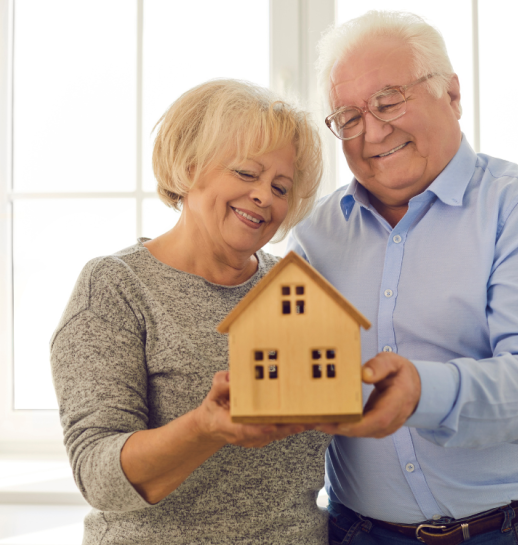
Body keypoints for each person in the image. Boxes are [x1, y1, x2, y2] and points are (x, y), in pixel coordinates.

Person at [289, 11, 518, 545]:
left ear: (451, 95)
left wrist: (421, 393)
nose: (374, 131)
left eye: (388, 101)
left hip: (513, 531)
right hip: (358, 531)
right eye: (349, 116)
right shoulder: (314, 235)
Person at [51, 79, 331, 544]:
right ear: (188, 166)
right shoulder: (116, 287)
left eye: (281, 187)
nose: (265, 196)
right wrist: (204, 427)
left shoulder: (295, 289)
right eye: (246, 173)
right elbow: (98, 476)